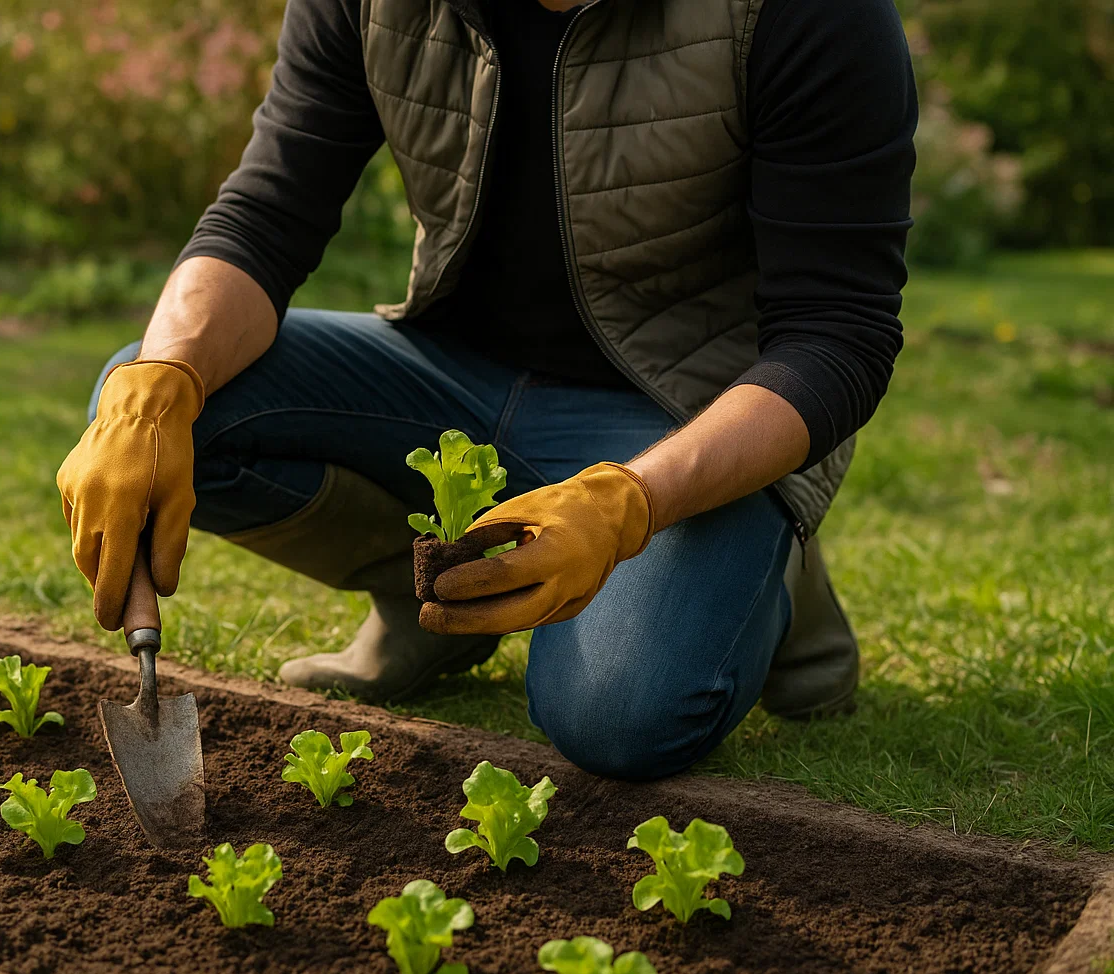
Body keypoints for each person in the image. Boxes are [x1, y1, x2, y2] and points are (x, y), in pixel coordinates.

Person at [57, 0, 918, 780]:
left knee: (619, 714)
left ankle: (770, 569)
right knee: (157, 400)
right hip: (448, 378)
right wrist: (158, 386)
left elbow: (835, 337)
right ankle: (441, 591)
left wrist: (629, 503)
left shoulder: (802, 14)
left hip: (680, 418)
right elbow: (266, 217)